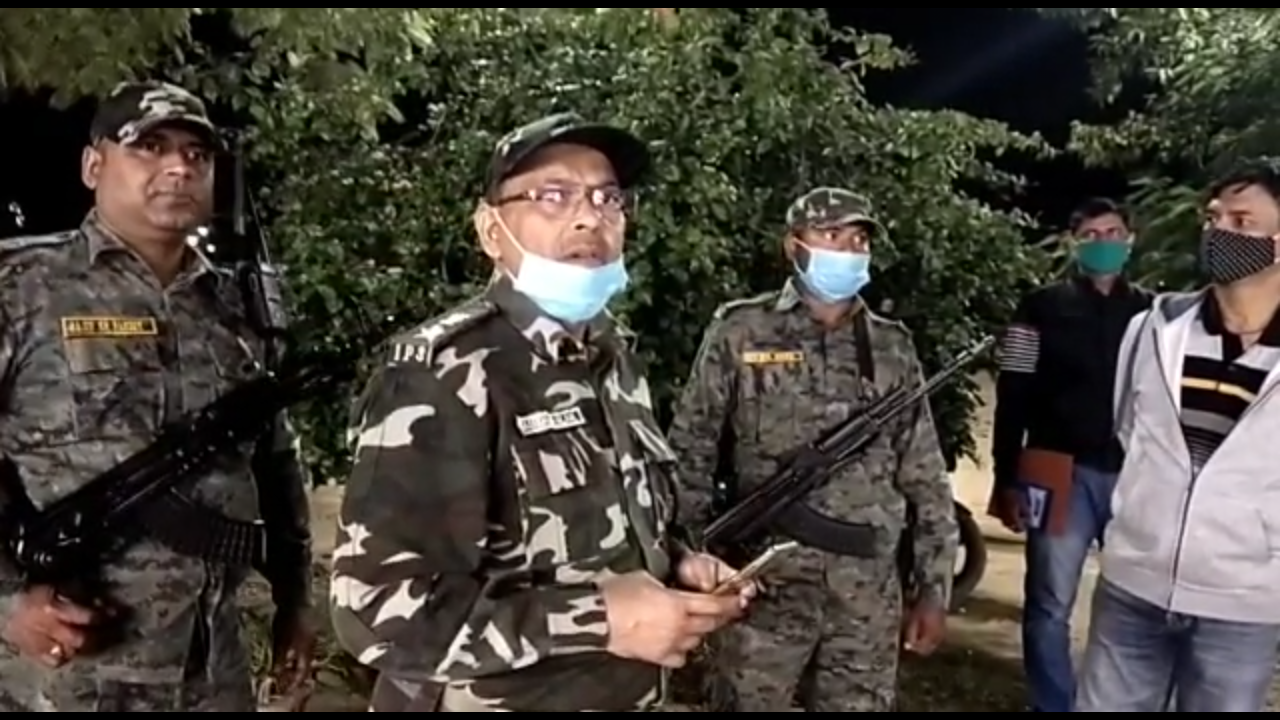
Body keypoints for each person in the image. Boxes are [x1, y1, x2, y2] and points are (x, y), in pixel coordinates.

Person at [329, 112, 753, 713]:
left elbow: (617, 531)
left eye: (608, 198)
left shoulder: (614, 358)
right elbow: (373, 611)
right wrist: (599, 618)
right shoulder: (446, 372)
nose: (589, 218)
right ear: (491, 230)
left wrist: (680, 565)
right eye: (553, 196)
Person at [0, 81, 315, 711]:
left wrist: (296, 601)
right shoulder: (20, 288)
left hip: (213, 672)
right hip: (66, 675)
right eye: (149, 146)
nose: (178, 167)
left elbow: (276, 463)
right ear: (94, 166)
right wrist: (6, 601)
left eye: (197, 154)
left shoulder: (237, 307)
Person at [667, 187, 956, 712]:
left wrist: (934, 589)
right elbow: (691, 448)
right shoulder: (742, 329)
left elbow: (925, 474)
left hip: (866, 593)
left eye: (859, 238)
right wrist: (687, 555)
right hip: (763, 585)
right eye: (831, 235)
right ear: (793, 246)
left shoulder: (890, 346)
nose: (848, 249)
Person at [1074, 158, 1280, 712]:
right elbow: (1129, 431)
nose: (1218, 232)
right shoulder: (1154, 330)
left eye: (1242, 222)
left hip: (1242, 605)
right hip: (1133, 586)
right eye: (1213, 218)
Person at [987, 197, 1152, 712]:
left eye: (1113, 232)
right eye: (1091, 235)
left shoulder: (1153, 313)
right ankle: (1053, 703)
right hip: (1056, 470)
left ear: (1130, 239)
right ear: (1074, 243)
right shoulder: (1039, 307)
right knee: (1049, 601)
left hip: (1132, 476)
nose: (1103, 243)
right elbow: (1013, 391)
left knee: (1134, 601)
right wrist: (1006, 476)